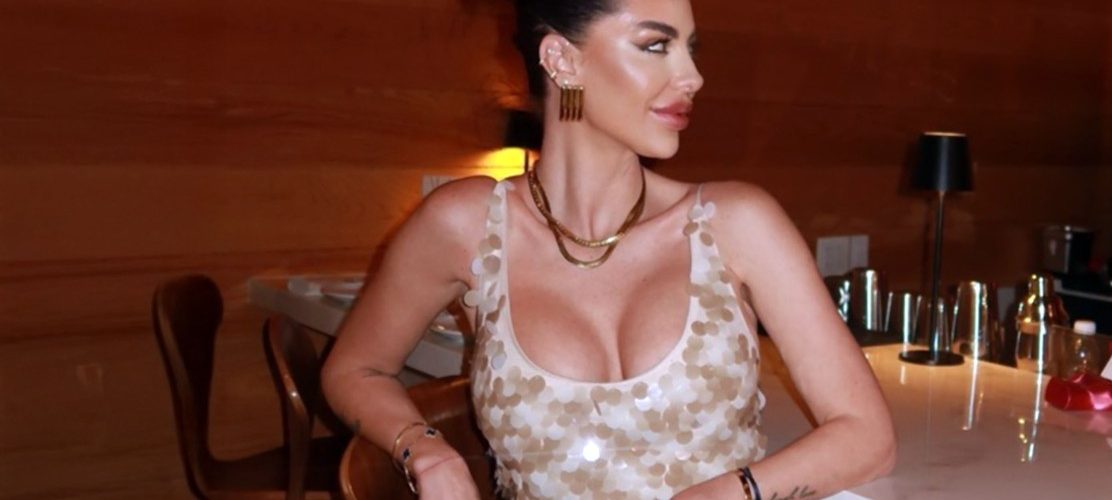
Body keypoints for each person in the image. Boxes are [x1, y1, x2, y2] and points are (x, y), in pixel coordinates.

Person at [321, 0, 895, 498]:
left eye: (691, 49)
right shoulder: (465, 225)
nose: (693, 77)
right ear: (562, 60)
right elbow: (354, 369)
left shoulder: (736, 223)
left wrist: (732, 492)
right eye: (656, 46)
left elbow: (868, 437)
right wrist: (425, 451)